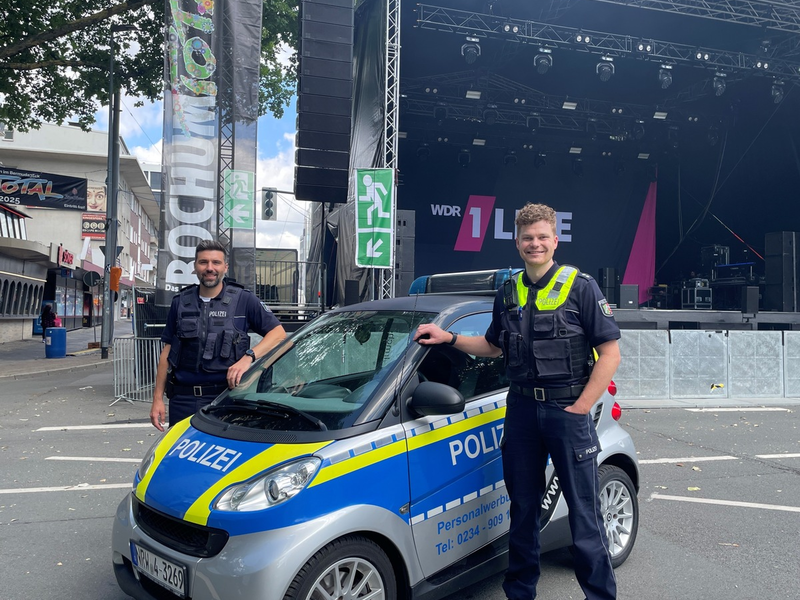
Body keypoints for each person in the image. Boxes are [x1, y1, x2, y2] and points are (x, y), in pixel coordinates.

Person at [414, 203, 621, 600]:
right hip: (522, 411)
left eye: (542, 237)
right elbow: (492, 346)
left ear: (555, 240)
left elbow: (610, 354)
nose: (535, 244)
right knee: (523, 510)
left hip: (566, 410)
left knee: (584, 513)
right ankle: (520, 593)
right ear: (517, 242)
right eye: (528, 238)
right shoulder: (508, 291)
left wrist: (581, 407)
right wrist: (449, 338)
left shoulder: (582, 287)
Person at [150, 240, 287, 431]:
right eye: (203, 262)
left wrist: (248, 357)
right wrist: (157, 399)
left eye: (216, 262)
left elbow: (278, 334)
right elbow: (167, 352)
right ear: (195, 266)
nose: (210, 268)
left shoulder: (244, 299)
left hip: (226, 398)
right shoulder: (180, 302)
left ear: (225, 267)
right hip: (183, 399)